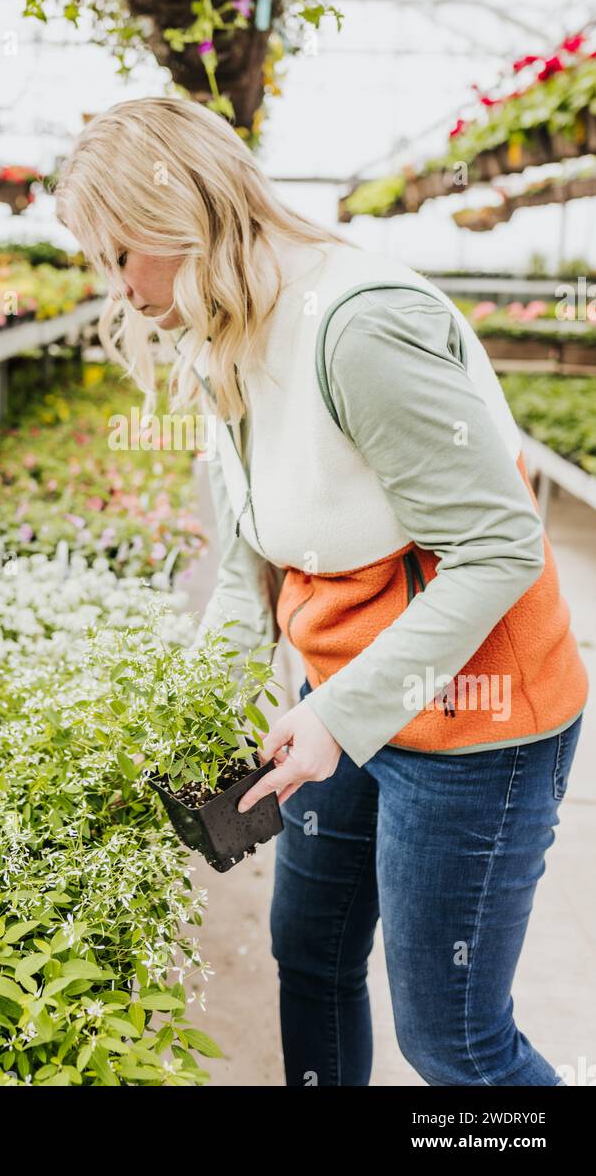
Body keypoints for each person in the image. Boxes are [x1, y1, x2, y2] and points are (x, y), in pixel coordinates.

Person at [55, 94, 588, 1087]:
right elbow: (257, 562)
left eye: (121, 252)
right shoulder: (227, 335)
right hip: (354, 697)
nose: (119, 287)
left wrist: (339, 715)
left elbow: (501, 547)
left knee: (453, 1039)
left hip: (479, 722)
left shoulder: (359, 327)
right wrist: (187, 709)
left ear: (184, 220)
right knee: (309, 954)